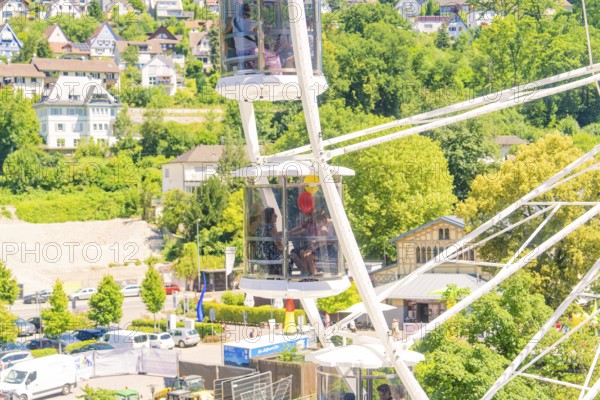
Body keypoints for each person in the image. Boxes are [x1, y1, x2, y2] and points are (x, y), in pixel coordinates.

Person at [223, 3, 258, 67]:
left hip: (240, 52)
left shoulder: (234, 20)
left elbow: (226, 31)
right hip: (253, 50)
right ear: (249, 12)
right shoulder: (253, 23)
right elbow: (258, 35)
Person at [255, 207, 283, 274]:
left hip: (262, 255)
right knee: (291, 257)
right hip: (271, 255)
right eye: (274, 215)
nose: (276, 216)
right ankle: (283, 278)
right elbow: (278, 242)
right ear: (270, 216)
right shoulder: (271, 226)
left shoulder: (261, 226)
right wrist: (284, 248)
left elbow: (274, 236)